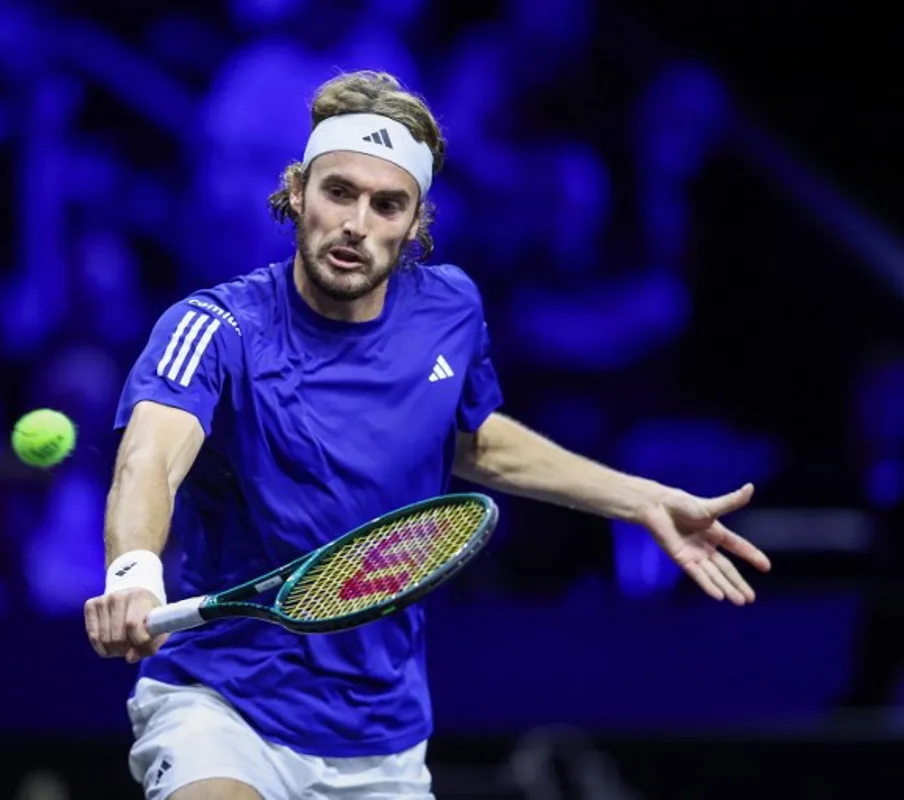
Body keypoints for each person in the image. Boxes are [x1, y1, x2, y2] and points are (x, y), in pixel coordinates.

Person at [83, 70, 771, 800]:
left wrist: (639, 500)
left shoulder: (450, 308)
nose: (357, 223)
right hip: (220, 705)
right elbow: (151, 458)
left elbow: (474, 439)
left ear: (415, 225)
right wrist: (133, 572)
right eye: (337, 192)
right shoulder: (215, 327)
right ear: (296, 194)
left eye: (388, 205)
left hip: (383, 737)